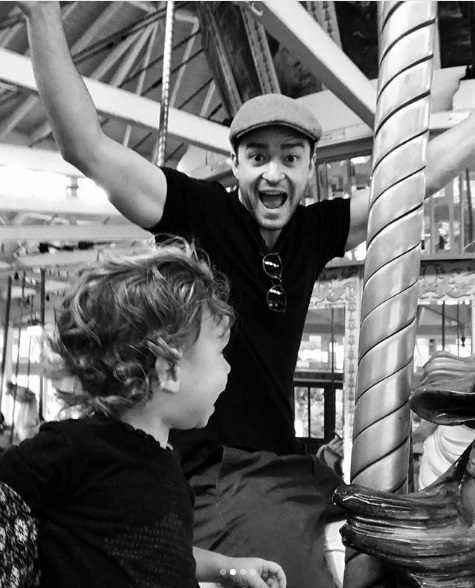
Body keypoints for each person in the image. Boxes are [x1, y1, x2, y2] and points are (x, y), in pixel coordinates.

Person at [17, 2, 475, 586]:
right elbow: (88, 148)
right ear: (234, 165)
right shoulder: (199, 212)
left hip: (279, 464)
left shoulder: (313, 231)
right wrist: (42, 16)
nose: (273, 175)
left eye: (290, 159)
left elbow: (418, 178)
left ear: (310, 167)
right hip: (209, 470)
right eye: (257, 158)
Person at [0, 239, 286, 588]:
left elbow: (167, 553)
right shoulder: (76, 448)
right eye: (220, 353)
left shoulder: (169, 470)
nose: (228, 368)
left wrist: (228, 568)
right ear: (169, 369)